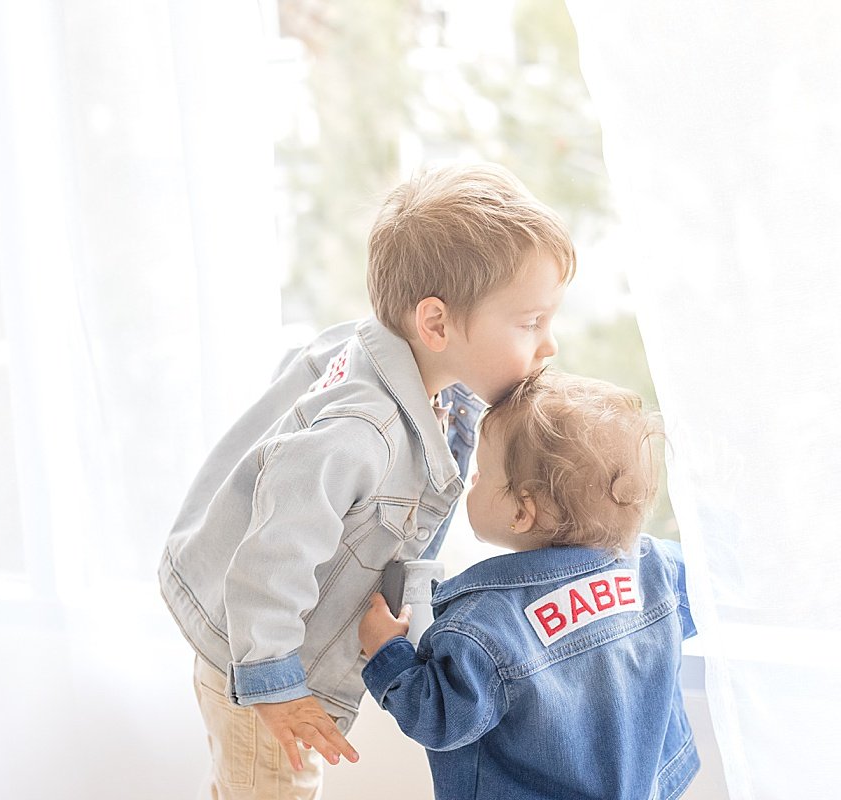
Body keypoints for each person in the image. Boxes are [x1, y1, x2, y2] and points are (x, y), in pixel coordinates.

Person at [158, 163, 576, 799]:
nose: (549, 345)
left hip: (250, 629)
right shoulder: (364, 432)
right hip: (256, 657)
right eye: (530, 323)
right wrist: (272, 682)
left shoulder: (393, 361)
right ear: (435, 324)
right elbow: (272, 553)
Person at [358, 369, 699, 800]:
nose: (472, 479)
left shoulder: (483, 630)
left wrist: (388, 654)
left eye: (481, 471)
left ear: (522, 513)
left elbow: (439, 717)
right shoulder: (659, 570)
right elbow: (704, 604)